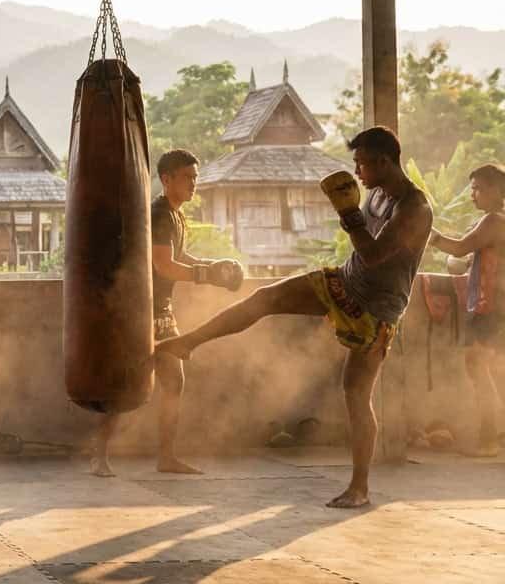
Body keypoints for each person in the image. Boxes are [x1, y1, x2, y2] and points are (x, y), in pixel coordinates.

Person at [158, 126, 431, 508]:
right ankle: (189, 343)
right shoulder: (377, 194)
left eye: (362, 164)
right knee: (265, 297)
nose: (357, 172)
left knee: (355, 392)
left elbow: (373, 254)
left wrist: (349, 215)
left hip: (376, 310)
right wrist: (353, 216)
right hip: (343, 281)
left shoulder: (413, 208)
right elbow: (361, 250)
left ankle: (359, 488)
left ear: (384, 161)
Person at [90, 149, 242, 478]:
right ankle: (98, 456)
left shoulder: (175, 215)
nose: (193, 184)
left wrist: (211, 268)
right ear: (166, 179)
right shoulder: (159, 213)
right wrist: (204, 275)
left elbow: (178, 255)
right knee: (125, 385)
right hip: (138, 310)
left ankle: (166, 457)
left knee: (174, 381)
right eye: (187, 177)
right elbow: (163, 265)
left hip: (161, 310)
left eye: (195, 177)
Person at [427, 162, 505, 457]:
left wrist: (427, 232)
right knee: (491, 371)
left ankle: (488, 440)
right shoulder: (494, 222)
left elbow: (459, 250)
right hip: (493, 307)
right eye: (472, 189)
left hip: (493, 309)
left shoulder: (494, 221)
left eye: (478, 189)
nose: (473, 195)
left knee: (479, 368)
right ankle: (492, 437)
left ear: (497, 191)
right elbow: (472, 258)